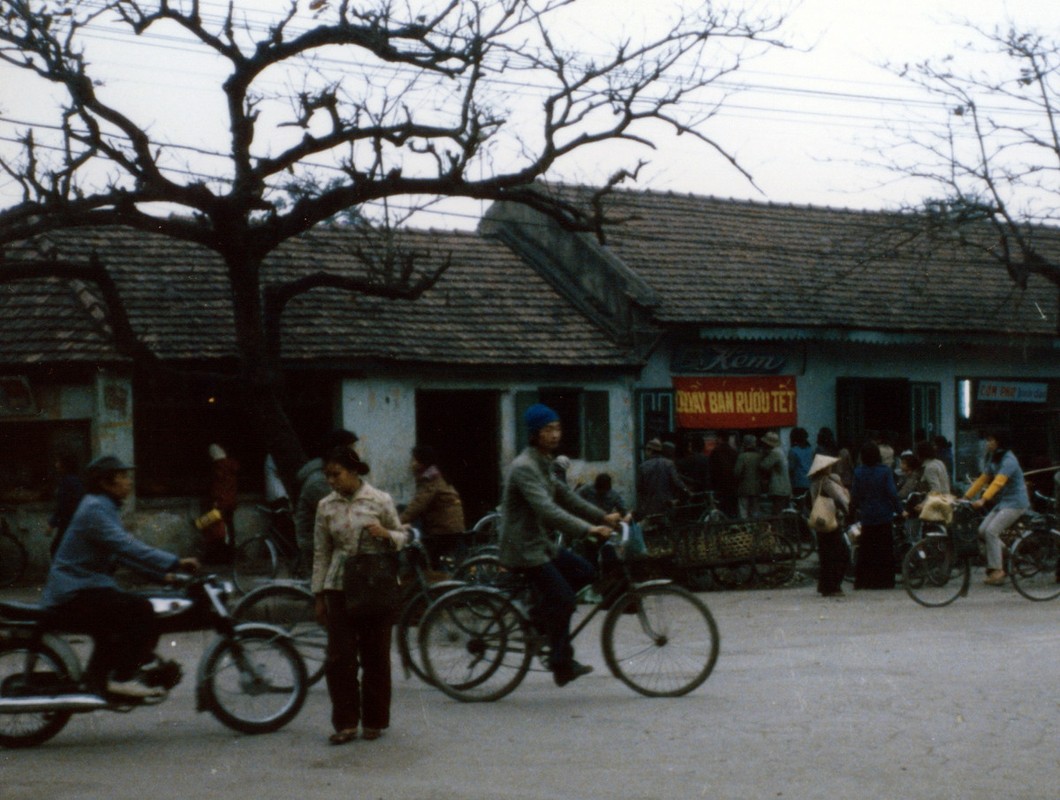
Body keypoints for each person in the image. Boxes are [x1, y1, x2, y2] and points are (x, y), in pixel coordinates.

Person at [41, 455, 200, 698]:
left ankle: (100, 679)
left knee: (121, 618)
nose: (128, 482)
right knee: (141, 609)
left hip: (86, 586)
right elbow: (128, 547)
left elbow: (120, 555)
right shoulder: (95, 509)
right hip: (74, 591)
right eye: (123, 476)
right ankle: (121, 678)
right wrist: (175, 562)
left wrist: (162, 576)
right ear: (106, 482)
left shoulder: (103, 506)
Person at [498, 403, 619, 687]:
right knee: (563, 598)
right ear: (534, 434)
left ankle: (541, 616)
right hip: (524, 548)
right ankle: (561, 663)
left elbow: (566, 497)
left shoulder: (544, 462)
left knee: (586, 572)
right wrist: (588, 528)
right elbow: (548, 510)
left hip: (540, 544)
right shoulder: (524, 467)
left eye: (557, 428)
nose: (554, 435)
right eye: (547, 429)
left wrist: (603, 516)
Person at [312, 445, 407, 745]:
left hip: (375, 586)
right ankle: (346, 723)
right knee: (339, 658)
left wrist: (386, 534)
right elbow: (321, 552)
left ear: (353, 472)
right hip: (339, 586)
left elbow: (403, 535)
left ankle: (375, 721)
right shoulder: (325, 506)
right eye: (327, 475)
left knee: (375, 655)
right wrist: (319, 595)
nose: (331, 480)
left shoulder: (380, 500)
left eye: (336, 474)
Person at [963, 430, 1030, 586]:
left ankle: (998, 570)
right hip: (1004, 503)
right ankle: (1007, 555)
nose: (988, 443)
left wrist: (983, 499)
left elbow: (998, 482)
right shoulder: (994, 458)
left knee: (991, 531)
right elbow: (982, 479)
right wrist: (966, 497)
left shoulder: (1009, 460)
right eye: (987, 440)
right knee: (981, 531)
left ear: (1000, 443)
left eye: (991, 440)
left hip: (1016, 503)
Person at [294, 429, 359, 575]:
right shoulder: (319, 481)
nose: (355, 454)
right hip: (319, 547)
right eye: (350, 449)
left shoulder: (337, 473)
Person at [398, 444, 466, 565]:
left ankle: (431, 580)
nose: (411, 464)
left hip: (444, 529)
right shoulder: (435, 475)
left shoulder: (430, 480)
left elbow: (418, 505)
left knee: (422, 558)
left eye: (414, 460)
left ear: (422, 463)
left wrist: (397, 522)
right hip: (451, 526)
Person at [850, 441, 903, 589]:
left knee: (866, 548)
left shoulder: (859, 472)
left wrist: (852, 510)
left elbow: (855, 495)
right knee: (885, 549)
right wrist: (900, 510)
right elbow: (892, 493)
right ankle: (885, 581)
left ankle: (864, 581)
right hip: (884, 514)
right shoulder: (885, 471)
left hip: (867, 515)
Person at [808, 454, 850, 597]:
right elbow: (839, 499)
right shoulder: (826, 482)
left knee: (825, 554)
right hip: (831, 520)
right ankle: (833, 586)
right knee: (839, 553)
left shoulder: (814, 482)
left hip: (820, 521)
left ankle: (825, 586)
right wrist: (846, 509)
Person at [636, 438, 689, 521]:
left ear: (650, 450)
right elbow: (677, 482)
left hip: (649, 507)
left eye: (646, 450)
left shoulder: (643, 467)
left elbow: (639, 488)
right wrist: (687, 491)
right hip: (666, 505)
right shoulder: (669, 464)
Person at [47, 451, 85, 558]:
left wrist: (52, 523)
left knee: (56, 550)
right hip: (72, 523)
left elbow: (63, 505)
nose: (56, 465)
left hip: (70, 523)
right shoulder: (71, 480)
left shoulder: (69, 482)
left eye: (58, 462)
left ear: (65, 465)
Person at [206, 443, 240, 561]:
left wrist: (215, 501)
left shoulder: (218, 467)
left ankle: (221, 556)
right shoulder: (231, 466)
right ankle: (230, 555)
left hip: (219, 503)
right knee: (229, 529)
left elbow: (217, 487)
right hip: (230, 502)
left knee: (217, 531)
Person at [758, 431, 791, 516]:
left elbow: (763, 466)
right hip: (784, 488)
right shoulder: (780, 450)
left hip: (779, 489)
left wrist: (762, 454)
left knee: (776, 514)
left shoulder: (775, 453)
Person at [709, 432, 739, 517]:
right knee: (732, 510)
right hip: (732, 486)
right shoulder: (734, 452)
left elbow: (712, 470)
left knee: (721, 510)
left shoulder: (715, 452)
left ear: (720, 438)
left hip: (720, 486)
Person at [733, 434, 762, 520]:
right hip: (756, 488)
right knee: (755, 511)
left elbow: (736, 472)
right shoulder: (759, 456)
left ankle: (745, 530)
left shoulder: (742, 457)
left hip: (743, 488)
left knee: (743, 512)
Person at [787, 427, 814, 510]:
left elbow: (790, 468)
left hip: (798, 483)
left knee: (799, 507)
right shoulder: (811, 449)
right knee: (809, 506)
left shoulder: (793, 451)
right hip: (810, 482)